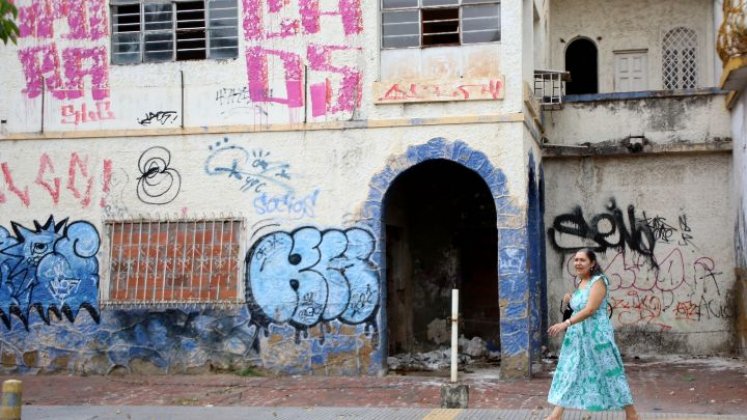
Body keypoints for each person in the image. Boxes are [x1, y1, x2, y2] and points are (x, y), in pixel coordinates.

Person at [545, 248, 640, 420]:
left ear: (592, 263)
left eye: (582, 260)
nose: (578, 263)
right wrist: (568, 300)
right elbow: (579, 306)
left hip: (596, 337)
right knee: (571, 372)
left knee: (610, 373)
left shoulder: (599, 281)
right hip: (577, 337)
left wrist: (565, 323)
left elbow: (590, 309)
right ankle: (555, 416)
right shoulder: (580, 281)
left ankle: (631, 413)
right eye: (576, 260)